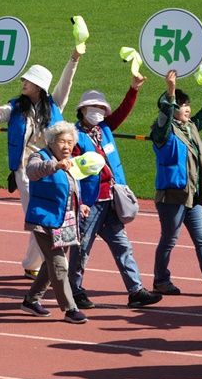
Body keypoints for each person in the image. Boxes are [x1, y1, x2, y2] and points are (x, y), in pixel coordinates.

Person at [69, 80, 163, 310]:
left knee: (122, 246)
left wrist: (134, 89)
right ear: (82, 109)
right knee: (81, 249)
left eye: (102, 108)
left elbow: (123, 111)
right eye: (94, 107)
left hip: (111, 202)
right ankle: (74, 290)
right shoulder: (73, 136)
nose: (98, 112)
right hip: (89, 205)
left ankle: (135, 291)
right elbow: (71, 172)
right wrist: (79, 202)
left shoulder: (105, 130)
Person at [0, 50, 81, 278]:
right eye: (24, 79)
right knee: (36, 215)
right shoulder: (15, 106)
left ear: (40, 86)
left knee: (47, 214)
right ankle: (43, 263)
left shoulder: (55, 104)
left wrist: (74, 57)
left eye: (28, 80)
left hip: (53, 168)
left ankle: (34, 262)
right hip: (25, 170)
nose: (23, 82)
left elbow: (66, 82)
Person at [152, 68, 202, 296]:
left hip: (194, 196)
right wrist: (170, 92)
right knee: (169, 240)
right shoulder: (162, 131)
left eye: (187, 104)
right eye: (181, 105)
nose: (187, 108)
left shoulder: (191, 127)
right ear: (171, 109)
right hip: (172, 196)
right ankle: (161, 280)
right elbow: (164, 116)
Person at [20, 121, 88, 323]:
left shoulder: (71, 161)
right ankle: (70, 308)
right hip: (45, 220)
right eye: (62, 142)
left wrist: (81, 204)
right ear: (51, 142)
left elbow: (71, 188)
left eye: (70, 142)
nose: (66, 146)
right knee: (59, 264)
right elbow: (32, 172)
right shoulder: (39, 156)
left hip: (66, 222)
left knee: (51, 264)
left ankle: (31, 300)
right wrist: (54, 165)